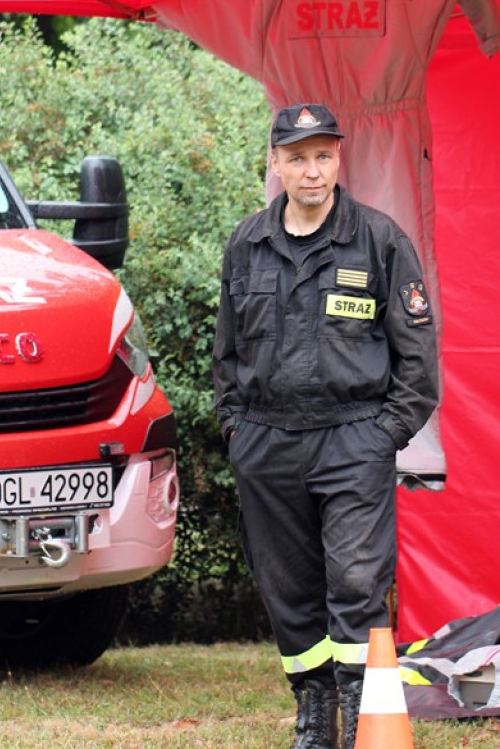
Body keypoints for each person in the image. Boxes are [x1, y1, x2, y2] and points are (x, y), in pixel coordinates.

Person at [212, 103, 439, 749]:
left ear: (338, 160)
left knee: (356, 579)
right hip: (266, 440)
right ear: (275, 163)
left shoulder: (379, 240)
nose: (312, 171)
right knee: (287, 586)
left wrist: (380, 435)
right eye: (298, 157)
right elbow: (226, 351)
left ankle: (360, 710)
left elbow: (418, 358)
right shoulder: (246, 243)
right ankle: (314, 712)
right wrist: (237, 430)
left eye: (323, 156)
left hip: (352, 438)